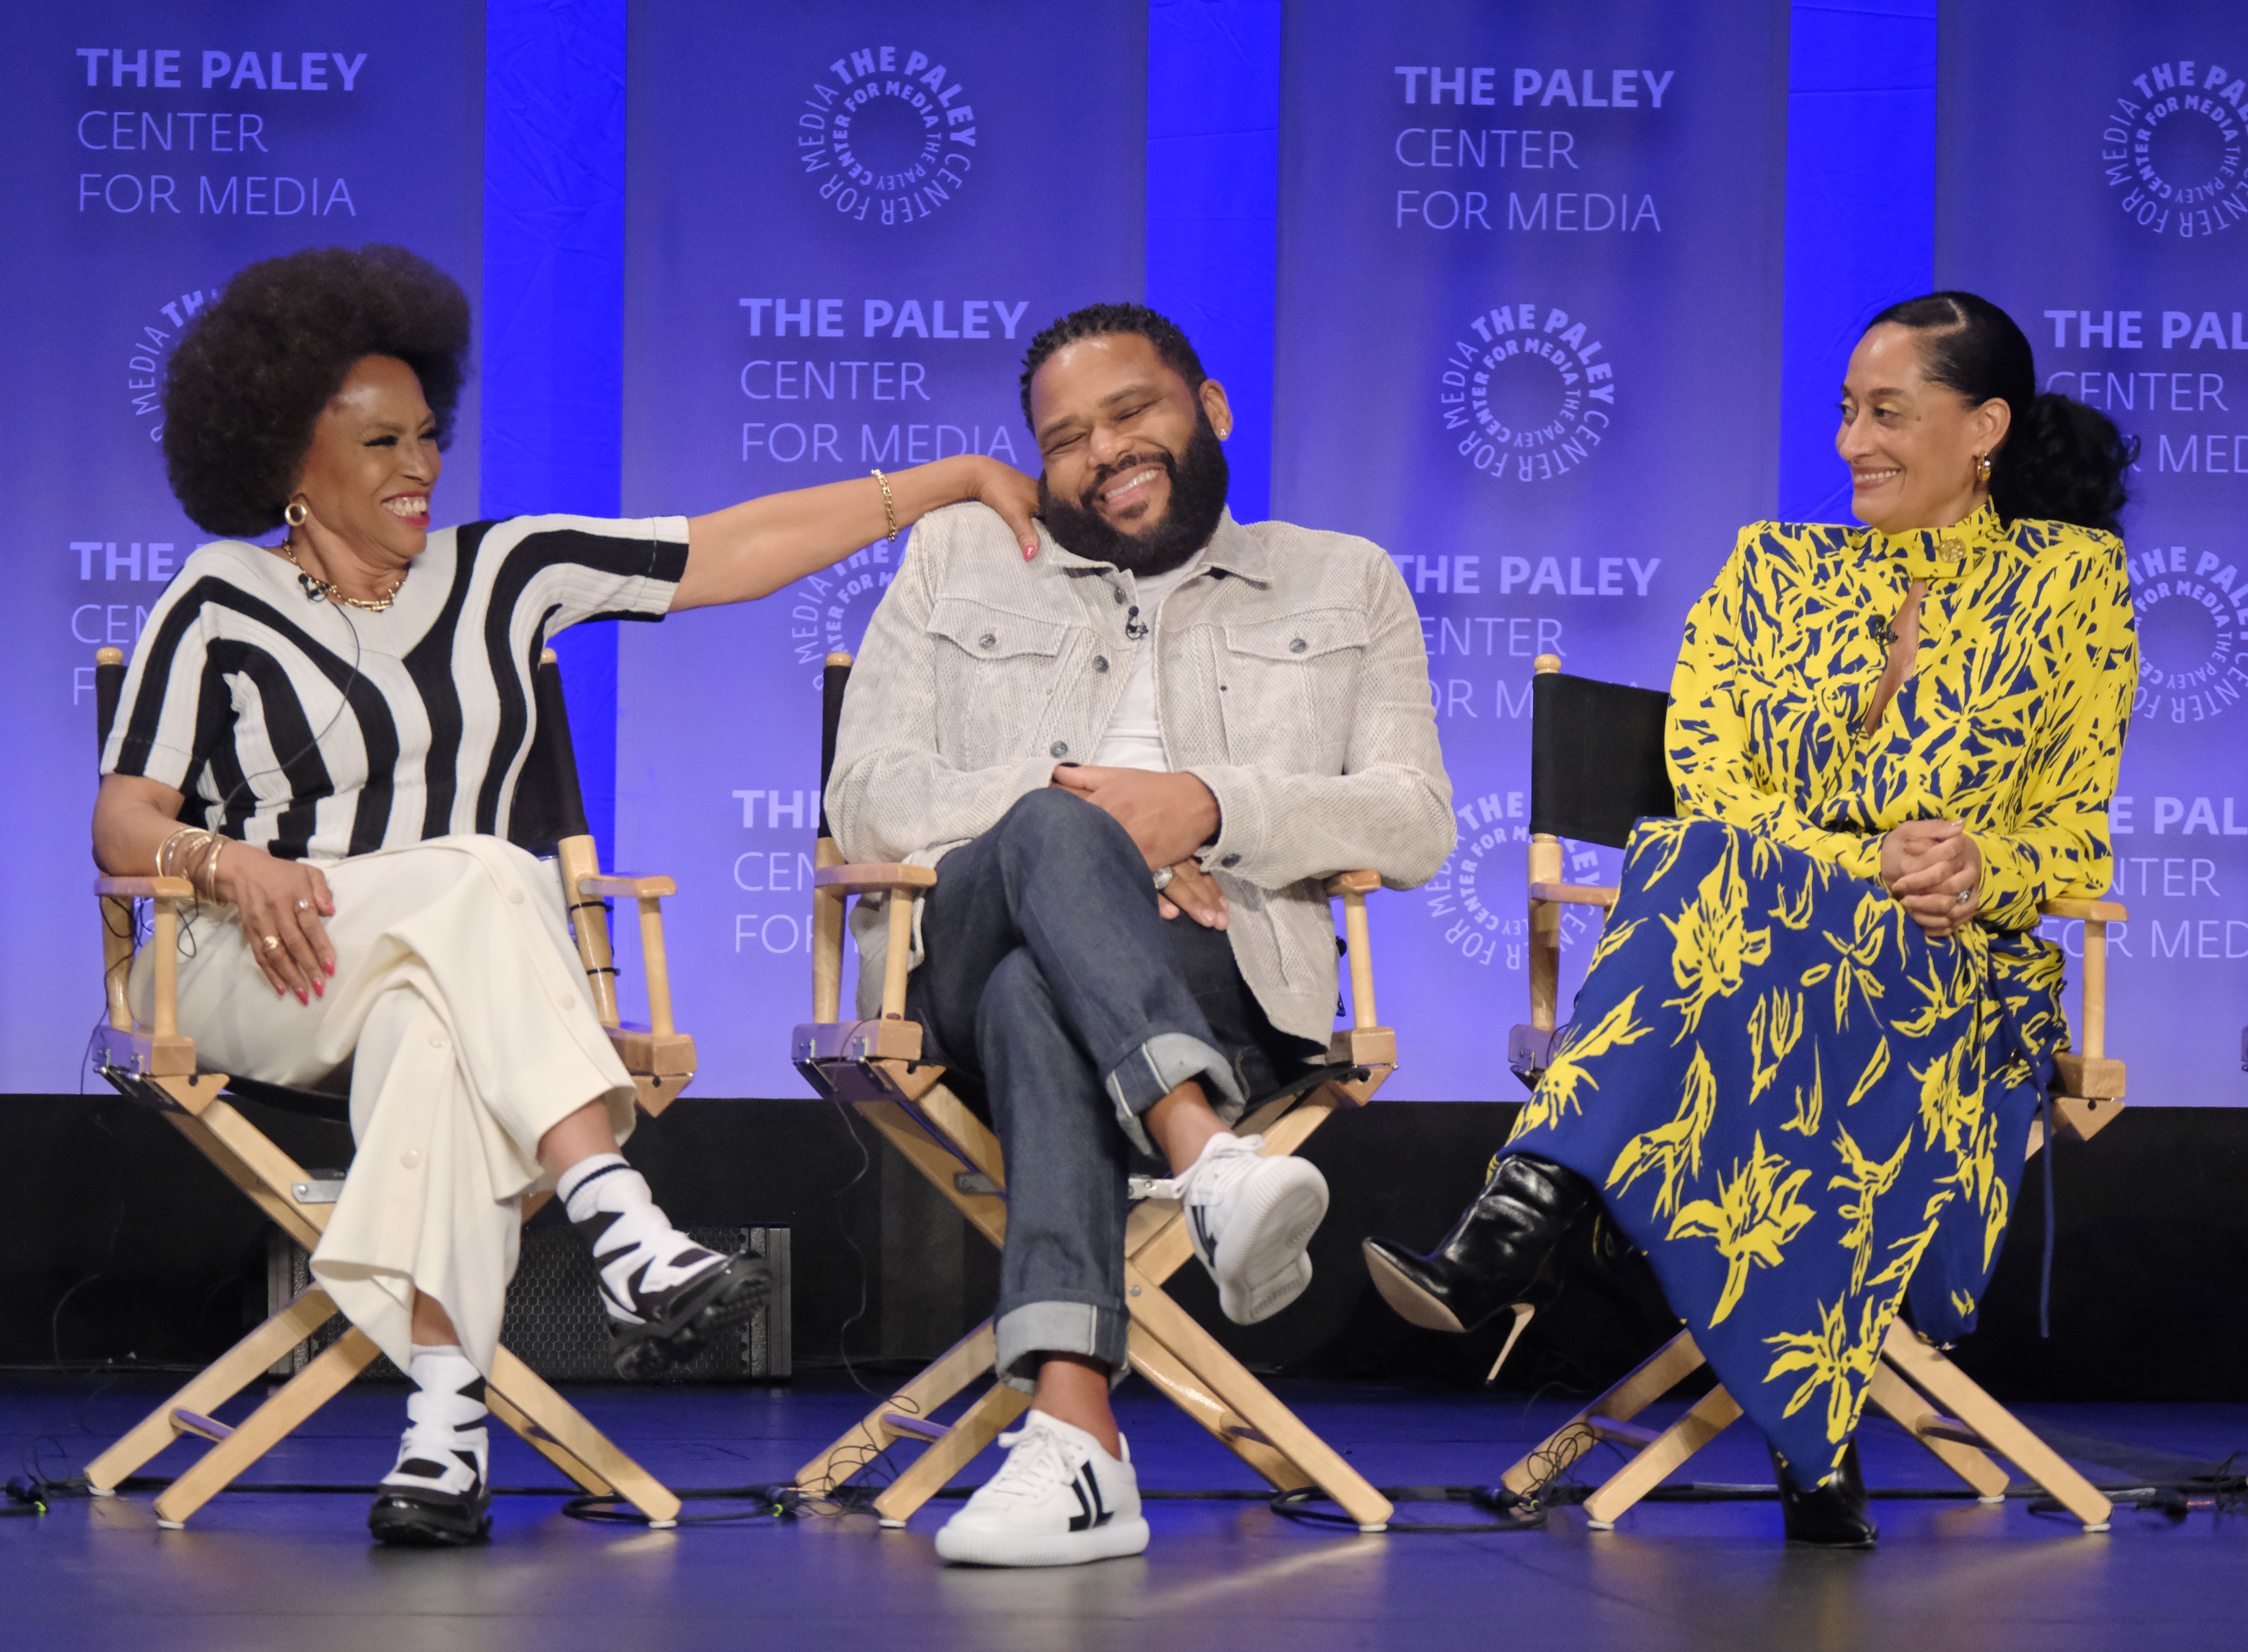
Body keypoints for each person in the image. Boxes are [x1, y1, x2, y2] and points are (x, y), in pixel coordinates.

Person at [93, 243, 1040, 1547]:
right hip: (274, 963)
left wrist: (952, 481)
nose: (418, 466)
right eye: (377, 444)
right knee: (491, 871)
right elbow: (122, 816)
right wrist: (226, 859)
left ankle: (444, 1434)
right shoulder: (220, 598)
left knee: (438, 1034)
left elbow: (730, 549)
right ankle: (618, 1213)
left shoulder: (509, 570)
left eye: (427, 435)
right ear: (286, 458)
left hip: (448, 989)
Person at [1363, 291, 2137, 1546]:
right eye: (1846, 411)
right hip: (1757, 957)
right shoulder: (1768, 571)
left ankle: (1527, 1211)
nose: (1853, 443)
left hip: (1948, 985)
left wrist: (1981, 863)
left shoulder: (2071, 587)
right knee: (1700, 855)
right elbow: (1719, 792)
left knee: (1703, 872)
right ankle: (1791, 1419)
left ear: (1984, 425)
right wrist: (1871, 861)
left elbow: (2078, 836)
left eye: (1890, 413)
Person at [826, 302, 1454, 1566]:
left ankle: (1078, 1439)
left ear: (1210, 409)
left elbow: (1416, 819)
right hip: (965, 928)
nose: (1103, 451)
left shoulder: (1348, 579)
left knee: (1034, 997)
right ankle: (1208, 1160)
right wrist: (1108, 831)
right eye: (1065, 438)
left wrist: (1210, 811)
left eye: (1132, 413)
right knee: (1059, 837)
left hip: (1223, 977)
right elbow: (869, 794)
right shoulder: (961, 557)